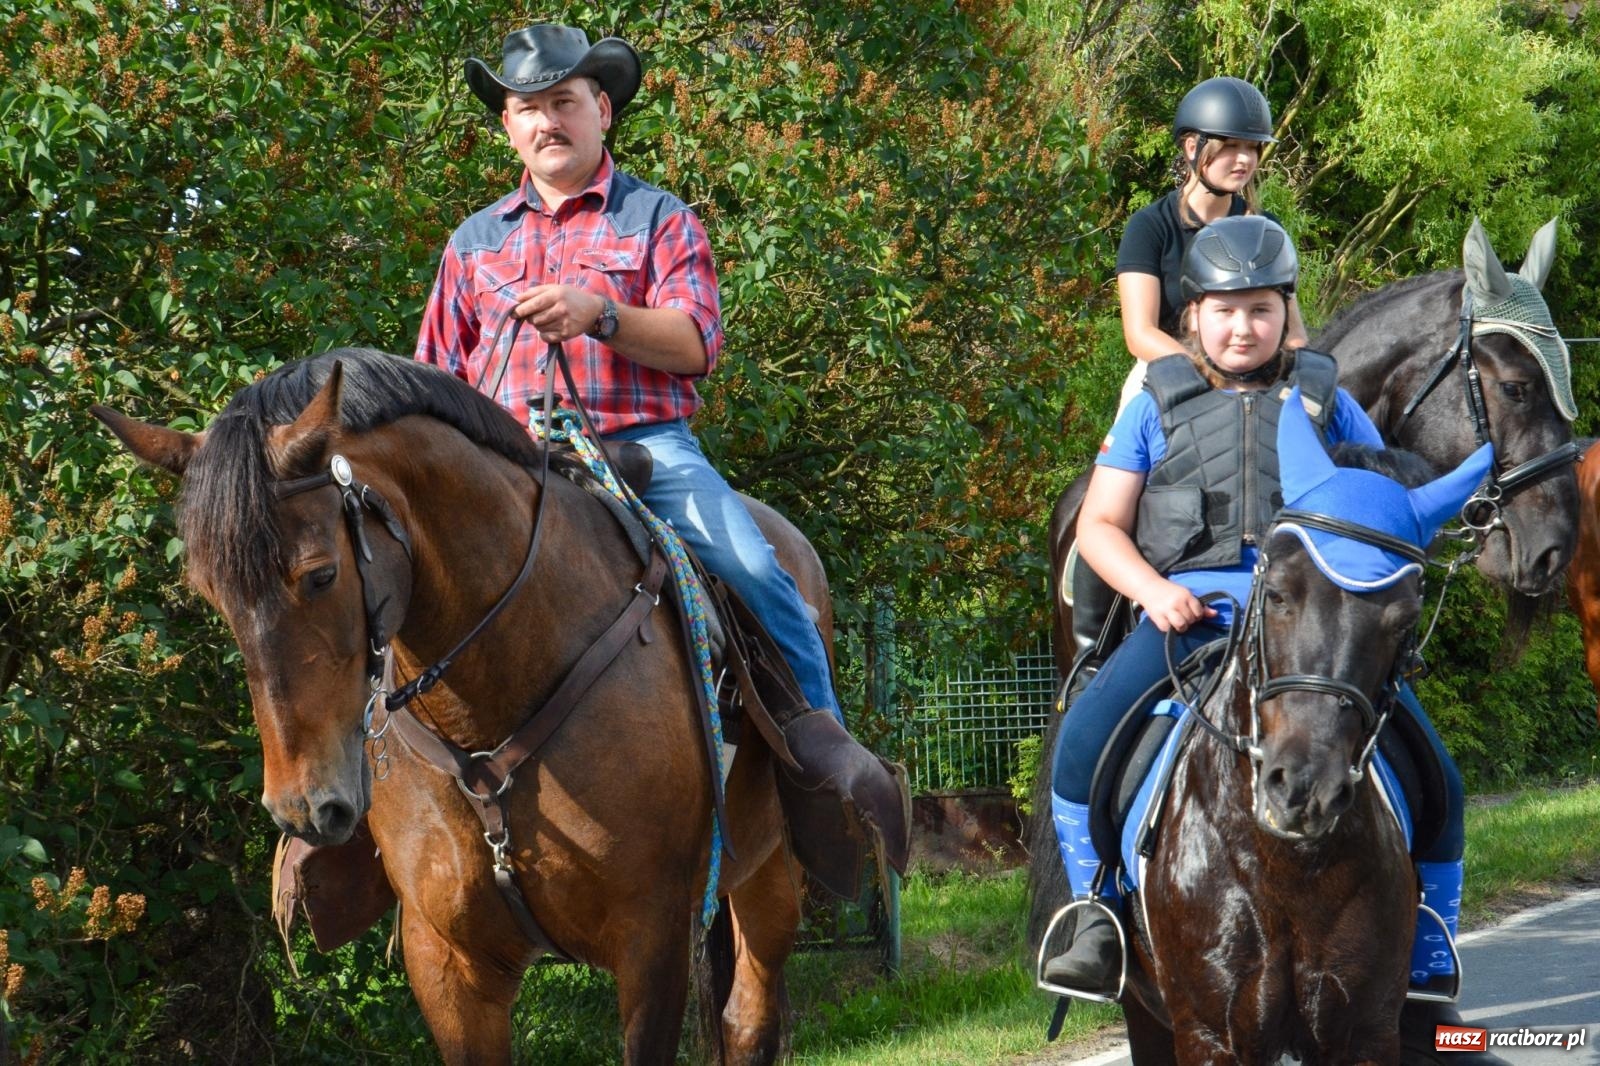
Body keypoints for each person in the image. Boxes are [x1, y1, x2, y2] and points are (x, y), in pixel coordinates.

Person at [414, 23, 907, 889]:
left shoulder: (661, 218)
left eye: (563, 104)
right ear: (508, 128)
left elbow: (694, 344)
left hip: (643, 451)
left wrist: (598, 312)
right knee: (380, 585)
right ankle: (343, 816)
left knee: (757, 568)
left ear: (601, 111)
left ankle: (824, 770)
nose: (546, 123)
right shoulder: (472, 244)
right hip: (509, 468)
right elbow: (432, 381)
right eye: (528, 109)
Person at [1043, 215, 1504, 1064]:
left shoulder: (1330, 401)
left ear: (1285, 312)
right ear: (1193, 315)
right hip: (1194, 613)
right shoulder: (1154, 399)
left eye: (1260, 309)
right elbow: (1102, 526)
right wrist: (1155, 591)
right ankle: (1095, 916)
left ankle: (1429, 944)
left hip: (1317, 625)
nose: (1241, 328)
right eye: (1223, 311)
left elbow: (1376, 499)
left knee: (1435, 770)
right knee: (1085, 739)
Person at [1065, 76, 1309, 689]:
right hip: (1167, 369)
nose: (1244, 159)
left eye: (1252, 147)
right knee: (1101, 505)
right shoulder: (1151, 228)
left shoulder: (1265, 227)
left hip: (1259, 374)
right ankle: (1094, 645)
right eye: (1229, 146)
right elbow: (1140, 331)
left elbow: (1296, 333)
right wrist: (1203, 374)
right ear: (1192, 148)